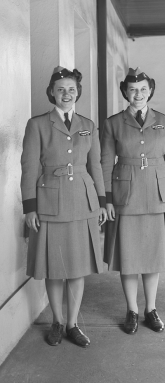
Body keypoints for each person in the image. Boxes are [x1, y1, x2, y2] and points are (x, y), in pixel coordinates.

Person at [21, 66, 107, 348]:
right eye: (60, 89)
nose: (66, 94)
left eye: (71, 89)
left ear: (77, 93)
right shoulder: (37, 124)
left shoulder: (89, 125)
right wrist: (30, 207)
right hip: (49, 204)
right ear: (52, 93)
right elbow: (29, 166)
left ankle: (73, 324)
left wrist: (102, 202)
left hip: (83, 202)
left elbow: (95, 166)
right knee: (55, 267)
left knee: (77, 267)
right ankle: (57, 321)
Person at [101, 67, 165, 335]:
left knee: (152, 255)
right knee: (129, 255)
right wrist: (107, 200)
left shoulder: (164, 120)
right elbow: (104, 162)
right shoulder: (113, 123)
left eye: (144, 89)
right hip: (126, 194)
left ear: (151, 91)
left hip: (158, 194)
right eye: (133, 90)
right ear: (125, 91)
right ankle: (132, 310)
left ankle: (151, 308)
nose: (138, 94)